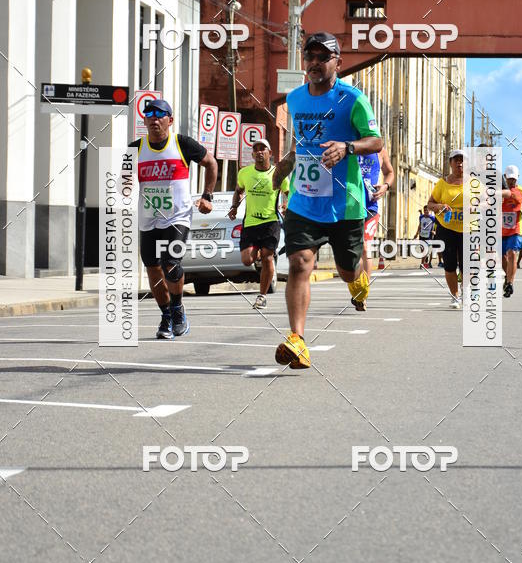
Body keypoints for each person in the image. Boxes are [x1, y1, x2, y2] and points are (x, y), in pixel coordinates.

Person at [272, 32, 383, 368]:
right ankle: (297, 340)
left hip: (344, 203)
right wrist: (278, 177)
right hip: (304, 201)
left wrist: (348, 147)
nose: (316, 63)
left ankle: (359, 284)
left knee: (348, 271)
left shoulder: (352, 99)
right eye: (311, 56)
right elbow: (300, 145)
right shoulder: (294, 99)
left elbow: (376, 141)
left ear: (338, 62)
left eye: (324, 56)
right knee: (299, 264)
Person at [130, 98, 218, 339]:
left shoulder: (182, 144)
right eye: (150, 115)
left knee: (171, 263)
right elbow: (122, 183)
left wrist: (207, 196)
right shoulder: (135, 148)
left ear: (170, 120)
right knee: (153, 268)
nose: (154, 119)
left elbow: (211, 163)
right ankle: (165, 316)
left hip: (177, 217)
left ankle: (178, 310)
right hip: (148, 219)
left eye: (160, 115)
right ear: (145, 120)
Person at [228, 138, 289, 310]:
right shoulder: (244, 173)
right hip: (250, 223)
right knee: (247, 260)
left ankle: (262, 296)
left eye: (263, 149)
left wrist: (286, 205)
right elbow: (238, 191)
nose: (259, 152)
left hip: (270, 221)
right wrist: (234, 206)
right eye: (256, 149)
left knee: (268, 256)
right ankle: (263, 260)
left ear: (271, 153)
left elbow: (289, 192)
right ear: (253, 154)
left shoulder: (278, 174)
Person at [352, 146, 394, 306]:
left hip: (370, 207)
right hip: (349, 205)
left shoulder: (381, 151)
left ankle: (363, 291)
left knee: (364, 246)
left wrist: (385, 186)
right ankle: (357, 285)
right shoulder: (348, 143)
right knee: (351, 251)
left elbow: (390, 172)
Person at [427, 150, 464, 308]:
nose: (459, 163)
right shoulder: (442, 183)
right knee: (449, 264)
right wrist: (440, 206)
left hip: (469, 229)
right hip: (446, 228)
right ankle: (455, 296)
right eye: (456, 160)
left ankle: (466, 292)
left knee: (467, 265)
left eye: (462, 160)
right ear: (450, 163)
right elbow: (430, 204)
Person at [501, 165, 522, 297]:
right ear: (505, 177)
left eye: (514, 179)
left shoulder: (519, 192)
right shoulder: (498, 191)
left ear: (517, 178)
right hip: (500, 231)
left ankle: (510, 282)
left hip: (514, 230)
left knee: (512, 254)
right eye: (509, 179)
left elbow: (515, 197)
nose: (511, 182)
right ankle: (507, 276)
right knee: (503, 258)